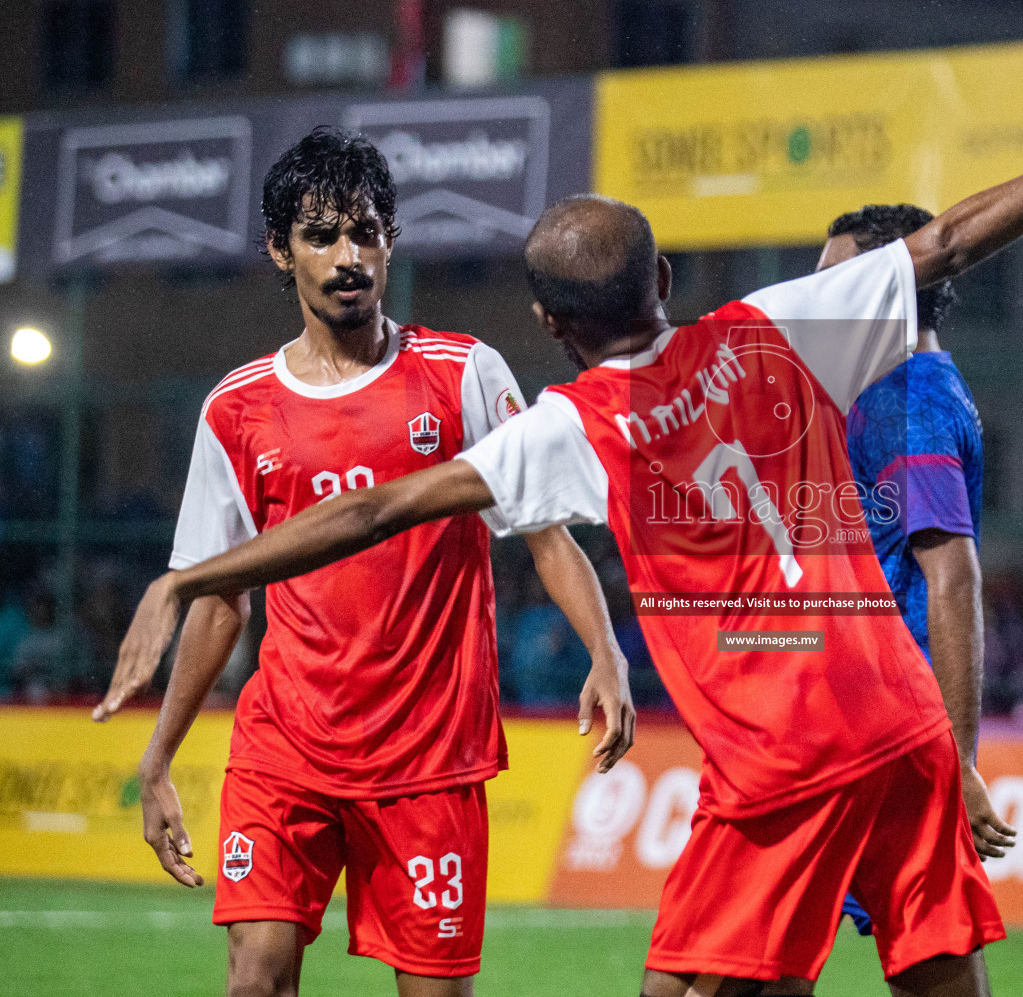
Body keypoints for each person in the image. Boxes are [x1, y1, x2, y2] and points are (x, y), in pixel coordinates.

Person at [113, 81, 1023, 997]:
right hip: (900, 718)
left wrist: (186, 580)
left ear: (553, 328)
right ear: (663, 279)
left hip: (781, 750)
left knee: (683, 987)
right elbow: (952, 236)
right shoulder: (776, 324)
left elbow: (372, 509)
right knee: (939, 969)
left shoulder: (571, 426)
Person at [92, 128, 634, 997]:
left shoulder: (462, 373)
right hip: (285, 750)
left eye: (367, 232)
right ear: (280, 251)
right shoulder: (236, 410)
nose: (350, 257)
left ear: (391, 240)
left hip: (429, 761)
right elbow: (221, 599)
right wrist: (158, 756)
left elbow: (541, 530)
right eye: (321, 236)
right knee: (255, 979)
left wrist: (605, 652)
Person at [819, 203, 1016, 943]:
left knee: (927, 956)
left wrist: (958, 764)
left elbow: (954, 578)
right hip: (856, 723)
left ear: (883, 291)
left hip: (894, 736)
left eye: (833, 280)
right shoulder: (882, 390)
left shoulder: (910, 404)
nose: (816, 298)